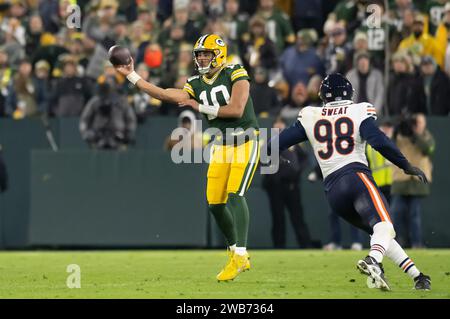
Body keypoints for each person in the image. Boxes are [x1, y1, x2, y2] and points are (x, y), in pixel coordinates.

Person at [114, 34, 259, 282]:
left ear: (219, 54)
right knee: (215, 204)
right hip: (222, 146)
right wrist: (132, 76)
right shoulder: (196, 82)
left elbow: (236, 109)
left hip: (246, 140)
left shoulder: (235, 71)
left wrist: (199, 106)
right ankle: (234, 252)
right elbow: (164, 94)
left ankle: (242, 254)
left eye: (206, 54)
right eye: (199, 54)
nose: (201, 58)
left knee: (236, 194)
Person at [270, 73, 431, 291]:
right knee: (385, 226)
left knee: (380, 234)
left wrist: (282, 158)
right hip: (356, 178)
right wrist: (405, 164)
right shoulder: (359, 110)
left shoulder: (311, 114)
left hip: (333, 192)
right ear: (348, 93)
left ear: (324, 95)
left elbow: (274, 144)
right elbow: (378, 140)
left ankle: (418, 276)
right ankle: (374, 261)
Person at [262, 117, 312, 249]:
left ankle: (305, 245)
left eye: (281, 128)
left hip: (292, 185)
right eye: (276, 128)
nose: (278, 131)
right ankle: (279, 246)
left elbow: (305, 158)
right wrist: (269, 176)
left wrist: (297, 170)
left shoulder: (293, 143)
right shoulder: (268, 144)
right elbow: (261, 161)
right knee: (278, 218)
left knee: (297, 217)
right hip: (275, 186)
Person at [391, 113, 435, 248]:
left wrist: (414, 134)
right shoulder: (400, 136)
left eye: (419, 122)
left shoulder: (426, 136)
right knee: (395, 214)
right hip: (401, 180)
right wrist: (397, 129)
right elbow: (389, 147)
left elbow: (428, 149)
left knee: (414, 215)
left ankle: (416, 243)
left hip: (417, 181)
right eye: (415, 123)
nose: (416, 125)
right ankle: (394, 244)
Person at [79, 81, 137, 150]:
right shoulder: (95, 101)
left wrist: (129, 132)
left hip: (118, 136)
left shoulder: (121, 101)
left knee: (118, 158)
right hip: (98, 136)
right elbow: (85, 119)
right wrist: (86, 133)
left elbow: (130, 119)